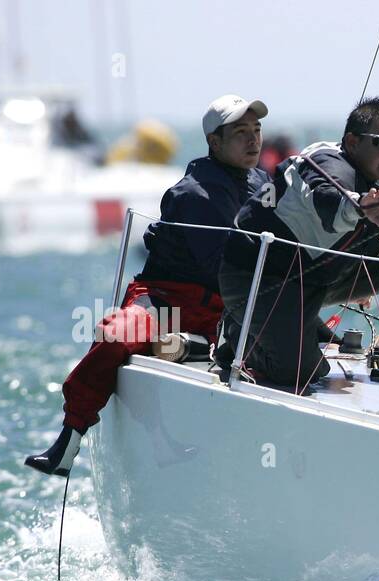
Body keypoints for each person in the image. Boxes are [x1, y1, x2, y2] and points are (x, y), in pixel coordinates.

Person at [25, 94, 270, 477]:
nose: (253, 140)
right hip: (168, 301)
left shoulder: (260, 181)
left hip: (226, 306)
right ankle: (69, 440)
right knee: (115, 336)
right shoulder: (195, 193)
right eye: (241, 132)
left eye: (256, 131)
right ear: (215, 142)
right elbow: (222, 265)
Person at [214, 96, 379, 392]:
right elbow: (330, 203)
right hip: (260, 280)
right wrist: (359, 207)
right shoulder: (322, 162)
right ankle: (238, 334)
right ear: (352, 142)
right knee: (303, 372)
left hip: (317, 273)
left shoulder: (378, 177)